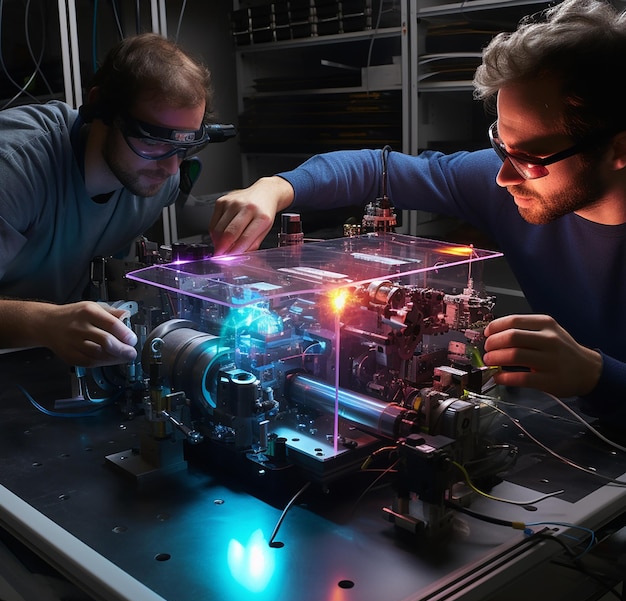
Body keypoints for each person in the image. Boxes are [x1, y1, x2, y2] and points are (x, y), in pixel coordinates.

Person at [209, 0, 626, 422]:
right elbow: (379, 168)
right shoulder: (504, 183)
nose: (502, 177)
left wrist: (596, 374)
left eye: (530, 156)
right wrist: (275, 188)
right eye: (500, 144)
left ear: (618, 149)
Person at [0, 33, 217, 368]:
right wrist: (43, 323)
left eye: (183, 147)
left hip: (52, 361)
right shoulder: (16, 168)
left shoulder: (161, 175)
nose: (171, 167)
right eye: (152, 142)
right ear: (101, 109)